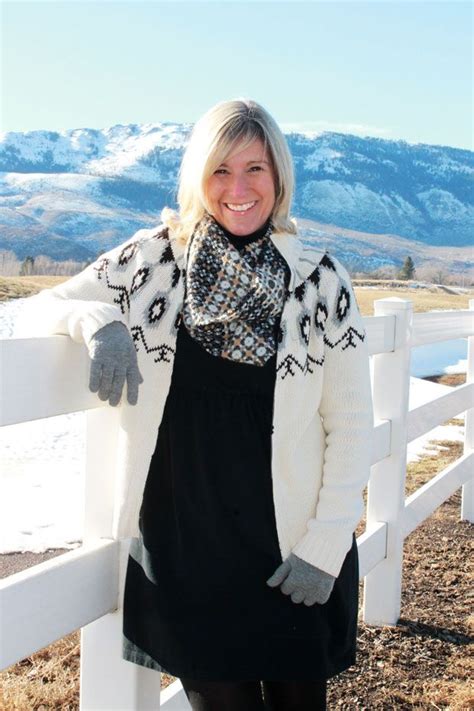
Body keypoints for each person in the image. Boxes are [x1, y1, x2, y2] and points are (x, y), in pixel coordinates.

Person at [21, 99, 374, 710]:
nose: (238, 188)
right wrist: (98, 321)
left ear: (279, 177)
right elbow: (43, 304)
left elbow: (350, 426)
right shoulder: (150, 261)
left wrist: (325, 546)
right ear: (197, 178)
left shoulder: (320, 281)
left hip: (292, 555)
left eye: (255, 169)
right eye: (220, 171)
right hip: (186, 556)